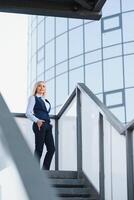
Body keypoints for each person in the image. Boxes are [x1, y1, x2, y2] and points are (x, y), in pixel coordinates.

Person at [26, 81, 55, 170]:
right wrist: (37, 120)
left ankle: (45, 170)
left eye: (43, 86)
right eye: (39, 86)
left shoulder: (45, 101)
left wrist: (49, 124)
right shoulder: (33, 98)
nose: (42, 88)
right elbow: (28, 113)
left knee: (51, 149)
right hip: (39, 125)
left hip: (47, 126)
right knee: (39, 148)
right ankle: (35, 171)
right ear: (36, 88)